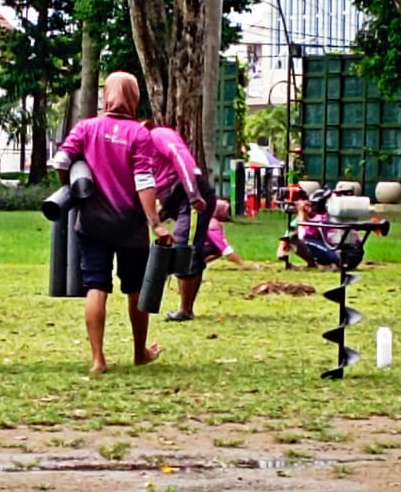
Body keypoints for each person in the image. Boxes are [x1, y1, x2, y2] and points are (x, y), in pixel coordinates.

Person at [52, 71, 169, 373]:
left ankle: (97, 359)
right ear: (133, 97)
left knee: (96, 286)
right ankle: (139, 352)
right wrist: (155, 223)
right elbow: (144, 180)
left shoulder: (87, 128)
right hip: (130, 226)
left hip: (92, 224)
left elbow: (61, 161)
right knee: (135, 289)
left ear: (106, 95)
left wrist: (71, 187)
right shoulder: (139, 134)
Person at [146, 120, 214, 322]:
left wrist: (193, 195)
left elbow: (182, 158)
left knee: (185, 248)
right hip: (175, 198)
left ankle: (185, 310)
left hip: (190, 194)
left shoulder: (158, 135)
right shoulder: (141, 151)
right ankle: (187, 307)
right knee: (189, 248)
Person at [168, 199, 254, 321]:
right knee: (191, 263)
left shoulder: (208, 221)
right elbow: (226, 250)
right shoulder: (212, 225)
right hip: (189, 251)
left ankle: (186, 309)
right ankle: (185, 309)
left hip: (191, 248)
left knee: (194, 261)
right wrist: (244, 265)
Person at [289, 197, 341, 269]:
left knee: (298, 240)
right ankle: (319, 263)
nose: (308, 207)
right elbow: (290, 234)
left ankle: (326, 264)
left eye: (309, 205)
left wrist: (301, 212)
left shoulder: (320, 216)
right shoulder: (309, 218)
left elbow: (302, 235)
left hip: (337, 253)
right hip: (334, 250)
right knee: (292, 238)